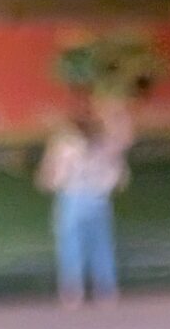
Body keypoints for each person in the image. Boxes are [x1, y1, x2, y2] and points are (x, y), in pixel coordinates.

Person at [36, 106, 129, 306]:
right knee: (101, 247)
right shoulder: (105, 145)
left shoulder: (65, 146)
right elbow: (120, 176)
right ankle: (106, 292)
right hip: (99, 199)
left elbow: (52, 176)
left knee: (71, 247)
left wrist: (48, 181)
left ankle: (72, 293)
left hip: (72, 198)